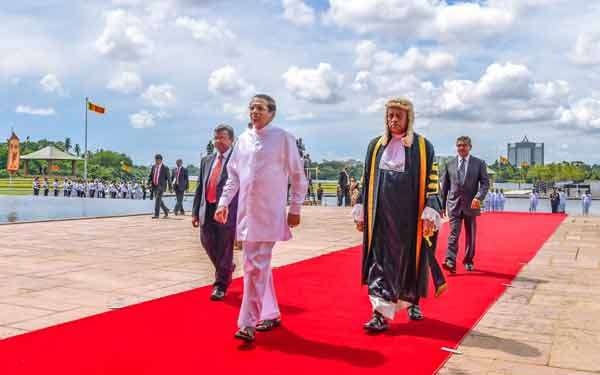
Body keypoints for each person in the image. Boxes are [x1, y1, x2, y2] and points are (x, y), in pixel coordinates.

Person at [214, 94, 308, 343]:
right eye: (252, 108)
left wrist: (296, 207)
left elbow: (298, 175)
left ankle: (247, 323)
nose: (255, 112)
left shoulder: (282, 138)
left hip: (269, 212)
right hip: (246, 214)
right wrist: (223, 203)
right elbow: (233, 176)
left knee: (255, 266)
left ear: (272, 113)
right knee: (254, 266)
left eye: (260, 108)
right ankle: (270, 312)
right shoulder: (243, 140)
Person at [353, 98, 446, 331]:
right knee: (378, 263)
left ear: (408, 119)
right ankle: (378, 315)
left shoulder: (424, 147)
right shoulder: (375, 146)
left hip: (409, 218)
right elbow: (366, 178)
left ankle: (412, 301)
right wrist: (361, 208)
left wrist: (430, 209)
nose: (393, 120)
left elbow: (432, 182)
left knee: (410, 264)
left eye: (398, 116)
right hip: (380, 218)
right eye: (390, 116)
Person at [193, 124, 238, 301]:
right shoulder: (207, 160)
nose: (218, 141)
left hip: (227, 209)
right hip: (208, 208)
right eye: (216, 138)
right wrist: (196, 211)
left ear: (231, 140)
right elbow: (200, 187)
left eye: (222, 137)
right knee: (206, 242)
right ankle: (226, 268)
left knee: (225, 247)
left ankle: (220, 285)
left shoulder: (238, 159)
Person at [441, 136, 490, 273]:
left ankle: (468, 260)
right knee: (453, 234)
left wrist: (478, 197)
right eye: (459, 145)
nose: (461, 148)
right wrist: (441, 206)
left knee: (471, 234)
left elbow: (485, 183)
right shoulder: (449, 164)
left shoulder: (479, 163)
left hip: (471, 205)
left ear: (470, 147)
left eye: (464, 145)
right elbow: (444, 187)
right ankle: (450, 261)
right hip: (454, 205)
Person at [148, 154, 171, 219]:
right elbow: (150, 176)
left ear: (160, 160)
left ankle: (156, 214)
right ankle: (166, 210)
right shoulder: (153, 167)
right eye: (155, 160)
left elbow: (169, 179)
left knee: (158, 199)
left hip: (161, 186)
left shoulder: (165, 168)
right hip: (154, 186)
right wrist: (148, 182)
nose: (156, 161)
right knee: (159, 200)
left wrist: (170, 188)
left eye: (157, 160)